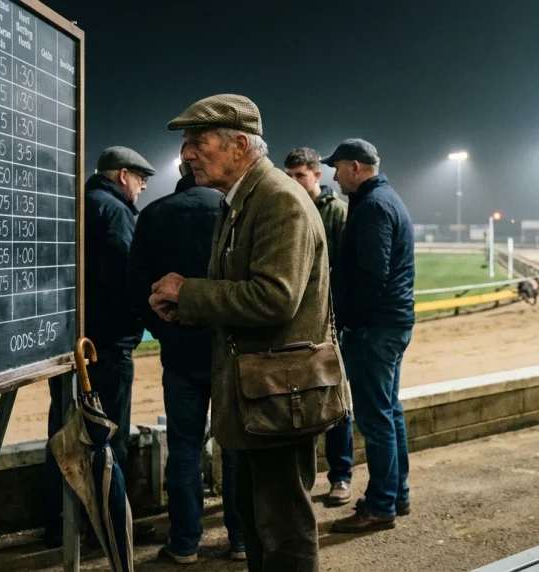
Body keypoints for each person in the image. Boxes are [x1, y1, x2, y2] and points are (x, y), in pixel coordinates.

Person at [148, 94, 335, 572]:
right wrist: (185, 308)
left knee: (284, 531)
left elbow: (275, 298)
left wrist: (189, 292)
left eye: (197, 141)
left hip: (277, 398)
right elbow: (238, 289)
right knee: (257, 525)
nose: (187, 153)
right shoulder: (241, 200)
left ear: (239, 145)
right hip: (258, 399)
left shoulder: (277, 200)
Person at [127, 146, 246, 564]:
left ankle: (184, 543)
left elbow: (137, 284)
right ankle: (240, 539)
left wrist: (164, 329)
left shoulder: (156, 214)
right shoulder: (233, 210)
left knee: (183, 450)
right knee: (234, 448)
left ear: (181, 169)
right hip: (228, 349)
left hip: (179, 352)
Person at [44, 147, 156, 547]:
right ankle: (107, 527)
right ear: (122, 175)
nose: (143, 186)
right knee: (107, 438)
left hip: (62, 342)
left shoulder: (71, 204)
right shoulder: (113, 212)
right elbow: (123, 276)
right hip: (103, 346)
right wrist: (144, 317)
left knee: (63, 433)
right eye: (141, 178)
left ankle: (59, 524)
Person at [323, 139, 416, 533]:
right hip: (390, 323)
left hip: (375, 327)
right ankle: (396, 494)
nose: (334, 174)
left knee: (376, 418)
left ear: (356, 168)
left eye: (338, 167)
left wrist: (349, 320)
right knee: (389, 412)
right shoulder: (385, 199)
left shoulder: (374, 206)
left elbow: (371, 276)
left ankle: (380, 505)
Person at [283, 147, 354, 506]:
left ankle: (341, 476)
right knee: (301, 403)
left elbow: (343, 270)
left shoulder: (337, 212)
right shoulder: (284, 207)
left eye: (300, 175)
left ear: (317, 176)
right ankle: (303, 480)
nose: (294, 181)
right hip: (294, 327)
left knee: (337, 401)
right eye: (290, 175)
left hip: (331, 325)